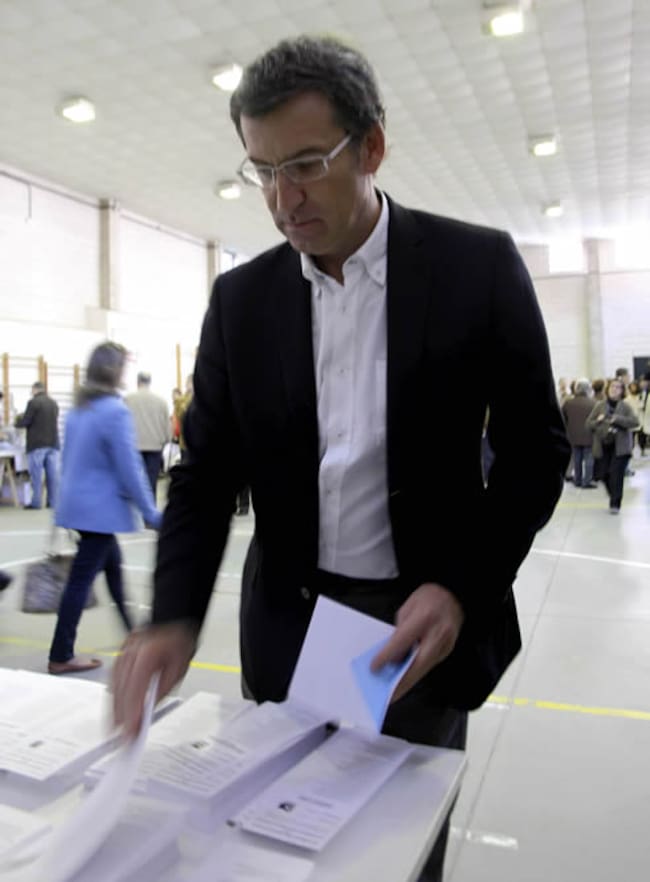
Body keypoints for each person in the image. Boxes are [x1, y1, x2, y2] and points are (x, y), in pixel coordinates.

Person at [111, 36, 569, 881]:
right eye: (262, 171)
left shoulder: (475, 270)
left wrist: (461, 585)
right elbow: (206, 474)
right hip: (289, 629)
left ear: (373, 147)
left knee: (397, 857)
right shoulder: (242, 300)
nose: (282, 200)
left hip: (416, 636)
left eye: (306, 165)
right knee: (275, 853)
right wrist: (172, 614)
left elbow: (535, 453)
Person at [48, 343, 162, 675]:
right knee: (80, 582)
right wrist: (151, 512)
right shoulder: (114, 411)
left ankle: (135, 637)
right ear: (114, 371)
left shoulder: (79, 409)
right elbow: (130, 469)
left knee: (113, 572)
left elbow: (70, 460)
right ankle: (61, 653)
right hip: (97, 511)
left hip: (79, 506)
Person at [586, 378, 637, 514]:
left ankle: (615, 503)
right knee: (603, 474)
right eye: (612, 387)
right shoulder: (600, 406)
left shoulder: (625, 406)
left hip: (621, 448)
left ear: (622, 391)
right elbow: (588, 424)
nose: (614, 389)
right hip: (603, 446)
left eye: (618, 387)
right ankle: (613, 494)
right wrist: (598, 421)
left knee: (616, 475)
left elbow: (635, 422)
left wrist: (618, 419)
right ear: (607, 389)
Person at [125, 372, 170, 500]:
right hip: (154, 446)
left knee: (132, 481)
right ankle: (150, 510)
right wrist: (165, 440)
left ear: (137, 382)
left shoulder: (127, 400)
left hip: (133, 445)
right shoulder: (161, 401)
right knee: (151, 483)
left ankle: (133, 509)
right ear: (150, 382)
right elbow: (166, 425)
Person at [14, 381, 60, 509]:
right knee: (52, 476)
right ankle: (52, 502)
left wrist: (16, 423)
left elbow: (26, 421)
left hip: (37, 444)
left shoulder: (33, 402)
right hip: (53, 443)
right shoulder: (53, 403)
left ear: (35, 389)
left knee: (36, 475)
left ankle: (36, 502)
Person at [562, 378, 596, 487]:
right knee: (589, 459)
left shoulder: (568, 403)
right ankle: (587, 481)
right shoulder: (594, 403)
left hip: (573, 436)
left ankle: (577, 480)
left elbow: (563, 419)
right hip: (589, 435)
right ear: (588, 389)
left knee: (577, 459)